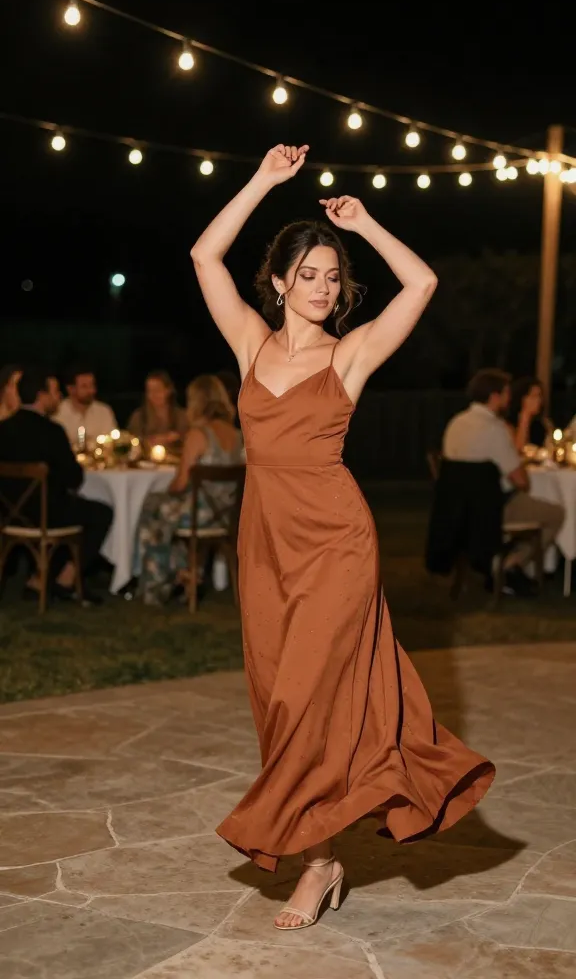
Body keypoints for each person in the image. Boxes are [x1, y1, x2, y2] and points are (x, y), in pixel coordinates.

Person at [190, 143, 495, 931]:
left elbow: (421, 283)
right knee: (277, 702)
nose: (324, 287)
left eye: (335, 276)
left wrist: (366, 222)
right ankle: (321, 855)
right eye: (311, 274)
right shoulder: (251, 346)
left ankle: (318, 861)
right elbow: (204, 253)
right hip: (265, 545)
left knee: (306, 696)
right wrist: (262, 180)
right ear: (282, 281)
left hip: (336, 545)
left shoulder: (350, 358)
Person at [443, 368, 564, 594]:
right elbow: (521, 481)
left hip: (457, 511)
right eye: (507, 393)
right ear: (495, 396)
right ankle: (510, 565)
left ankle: (502, 566)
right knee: (555, 513)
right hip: (492, 510)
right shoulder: (494, 429)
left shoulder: (455, 423)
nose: (510, 399)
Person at [0, 367, 113, 604]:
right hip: (45, 514)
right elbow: (74, 478)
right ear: (41, 396)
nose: (59, 396)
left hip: (8, 514)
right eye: (54, 392)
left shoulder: (4, 429)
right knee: (101, 513)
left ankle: (39, 579)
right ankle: (64, 580)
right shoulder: (52, 432)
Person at [135, 374, 243, 605]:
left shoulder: (199, 435)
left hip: (199, 516)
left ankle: (157, 585)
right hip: (227, 515)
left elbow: (181, 483)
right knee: (162, 512)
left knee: (152, 509)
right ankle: (186, 575)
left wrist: (167, 492)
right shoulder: (237, 436)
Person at [54, 365, 117, 445]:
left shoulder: (104, 411)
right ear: (70, 389)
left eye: (92, 385)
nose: (91, 391)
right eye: (84, 386)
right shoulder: (58, 413)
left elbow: (112, 442)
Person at [127, 370, 188, 451]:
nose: (154, 394)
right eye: (150, 391)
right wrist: (147, 441)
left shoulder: (181, 416)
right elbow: (131, 441)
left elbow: (189, 439)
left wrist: (175, 437)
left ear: (168, 390)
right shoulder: (139, 416)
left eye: (158, 390)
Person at [506, 376, 551, 451]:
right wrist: (525, 415)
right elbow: (517, 450)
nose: (539, 400)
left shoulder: (542, 423)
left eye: (540, 396)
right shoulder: (508, 424)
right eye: (534, 396)